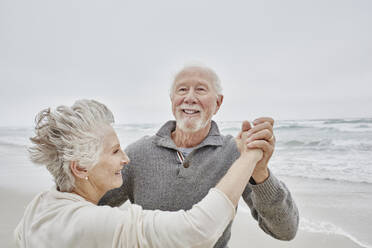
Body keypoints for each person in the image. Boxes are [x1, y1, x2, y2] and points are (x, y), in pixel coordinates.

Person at [14, 99, 264, 248]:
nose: (126, 158)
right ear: (80, 168)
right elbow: (198, 231)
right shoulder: (90, 223)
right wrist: (249, 156)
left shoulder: (39, 206)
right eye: (114, 151)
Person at [99, 65, 299, 247]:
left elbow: (285, 230)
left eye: (201, 89)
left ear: (218, 103)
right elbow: (90, 205)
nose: (190, 97)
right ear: (172, 100)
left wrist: (260, 171)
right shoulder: (138, 153)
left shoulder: (236, 153)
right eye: (182, 89)